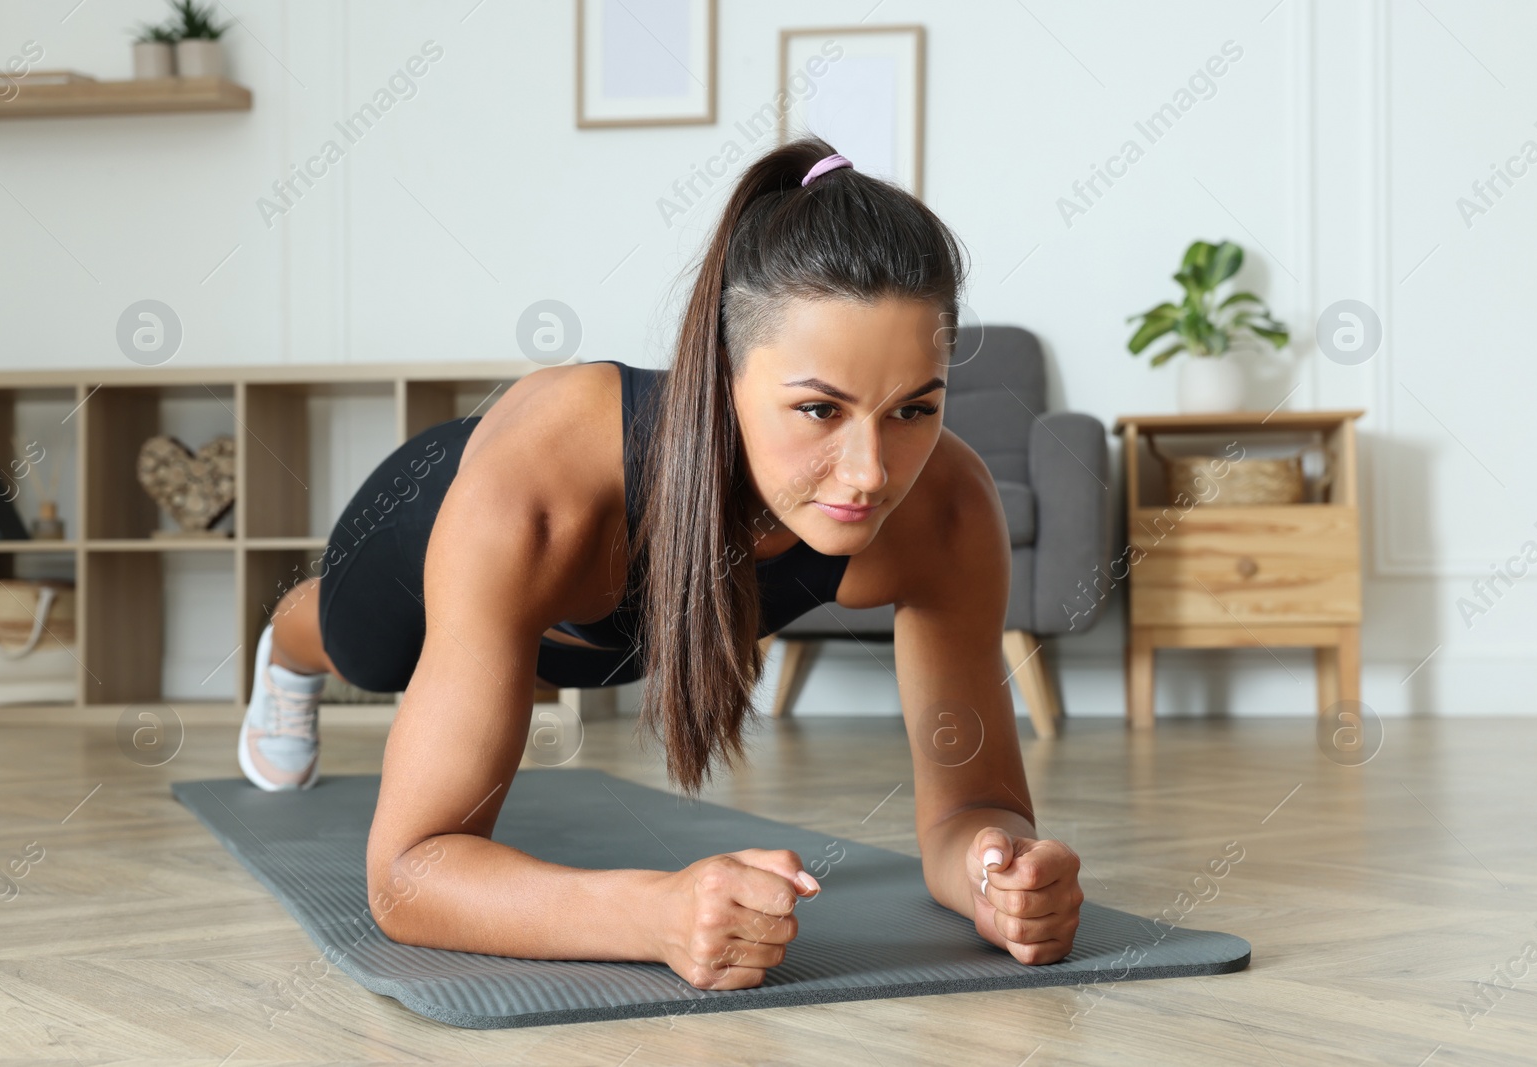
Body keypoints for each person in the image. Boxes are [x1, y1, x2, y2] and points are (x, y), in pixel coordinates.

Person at [236, 138, 1083, 989]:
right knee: (362, 654)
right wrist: (655, 914)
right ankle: (288, 644)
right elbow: (407, 877)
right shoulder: (545, 484)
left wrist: (994, 872)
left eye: (914, 408)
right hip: (414, 545)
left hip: (607, 626)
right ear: (722, 373)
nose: (870, 472)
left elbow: (973, 804)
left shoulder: (947, 509)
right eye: (820, 408)